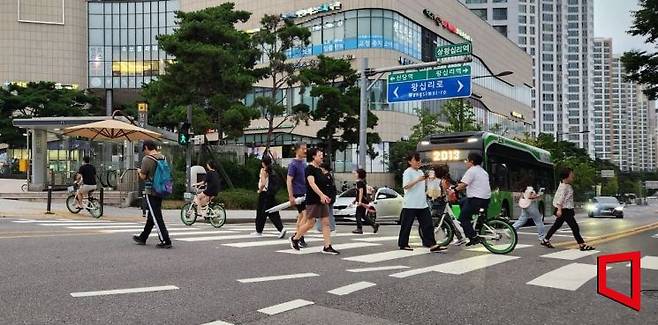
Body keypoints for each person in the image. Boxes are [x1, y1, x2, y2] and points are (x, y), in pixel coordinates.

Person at [289, 148, 339, 254]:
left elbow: (323, 184)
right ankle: (295, 238)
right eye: (319, 155)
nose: (322, 157)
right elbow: (312, 184)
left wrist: (326, 196)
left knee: (326, 223)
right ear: (313, 156)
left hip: (322, 200)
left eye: (322, 155)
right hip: (313, 200)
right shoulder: (309, 169)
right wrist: (321, 195)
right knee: (310, 223)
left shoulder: (319, 170)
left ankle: (327, 246)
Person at [397, 152, 446, 252]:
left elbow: (423, 185)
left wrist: (429, 179)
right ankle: (403, 244)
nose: (418, 162)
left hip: (422, 203)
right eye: (416, 160)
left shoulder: (420, 172)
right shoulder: (408, 172)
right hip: (410, 204)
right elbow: (405, 186)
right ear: (410, 162)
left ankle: (431, 244)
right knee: (407, 225)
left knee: (428, 224)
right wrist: (417, 180)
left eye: (419, 160)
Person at [542, 168, 595, 251]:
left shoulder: (565, 185)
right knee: (574, 227)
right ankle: (582, 244)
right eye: (571, 175)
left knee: (557, 225)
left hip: (566, 209)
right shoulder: (564, 187)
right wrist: (559, 209)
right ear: (566, 177)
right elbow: (560, 199)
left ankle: (545, 240)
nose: (573, 176)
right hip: (565, 210)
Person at [133, 140, 172, 249]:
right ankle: (143, 237)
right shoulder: (162, 157)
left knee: (156, 216)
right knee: (152, 215)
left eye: (144, 150)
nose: (144, 152)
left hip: (151, 190)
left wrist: (139, 171)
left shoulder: (147, 159)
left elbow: (144, 176)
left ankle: (166, 240)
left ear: (146, 147)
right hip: (161, 189)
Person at [455, 152, 491, 246]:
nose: (466, 162)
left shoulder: (472, 170)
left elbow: (463, 184)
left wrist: (454, 189)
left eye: (467, 160)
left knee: (463, 218)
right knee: (462, 201)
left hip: (476, 200)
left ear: (471, 161)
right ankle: (470, 225)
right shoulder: (483, 172)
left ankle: (474, 237)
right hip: (485, 200)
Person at [254, 155, 287, 238]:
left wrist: (260, 190)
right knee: (273, 211)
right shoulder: (272, 170)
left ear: (263, 163)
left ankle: (259, 231)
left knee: (262, 213)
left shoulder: (263, 170)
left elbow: (263, 183)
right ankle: (281, 229)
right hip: (271, 194)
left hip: (264, 194)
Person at [434, 165, 467, 246]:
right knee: (452, 220)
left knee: (452, 220)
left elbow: (446, 192)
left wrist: (440, 196)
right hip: (451, 202)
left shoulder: (444, 181)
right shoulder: (447, 179)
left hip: (447, 203)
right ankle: (456, 237)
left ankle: (459, 237)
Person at [287, 142, 308, 248]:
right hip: (297, 193)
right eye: (303, 149)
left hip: (305, 192)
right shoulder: (293, 164)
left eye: (306, 148)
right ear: (297, 150)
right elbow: (289, 180)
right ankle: (297, 237)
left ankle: (299, 236)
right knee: (305, 215)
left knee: (301, 216)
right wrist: (291, 196)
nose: (305, 151)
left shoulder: (305, 163)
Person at [352, 169, 380, 234]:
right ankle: (374, 225)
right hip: (363, 200)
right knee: (363, 215)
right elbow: (360, 192)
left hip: (362, 201)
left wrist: (359, 201)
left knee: (357, 215)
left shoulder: (359, 182)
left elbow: (361, 192)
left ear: (359, 174)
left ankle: (359, 228)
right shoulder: (362, 182)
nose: (355, 175)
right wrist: (355, 200)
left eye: (356, 173)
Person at [315, 162, 336, 233]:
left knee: (324, 213)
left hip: (327, 198)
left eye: (320, 168)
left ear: (323, 168)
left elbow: (327, 189)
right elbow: (333, 189)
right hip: (330, 197)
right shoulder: (330, 176)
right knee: (328, 213)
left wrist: (325, 197)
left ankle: (321, 228)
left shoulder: (326, 177)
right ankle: (330, 228)